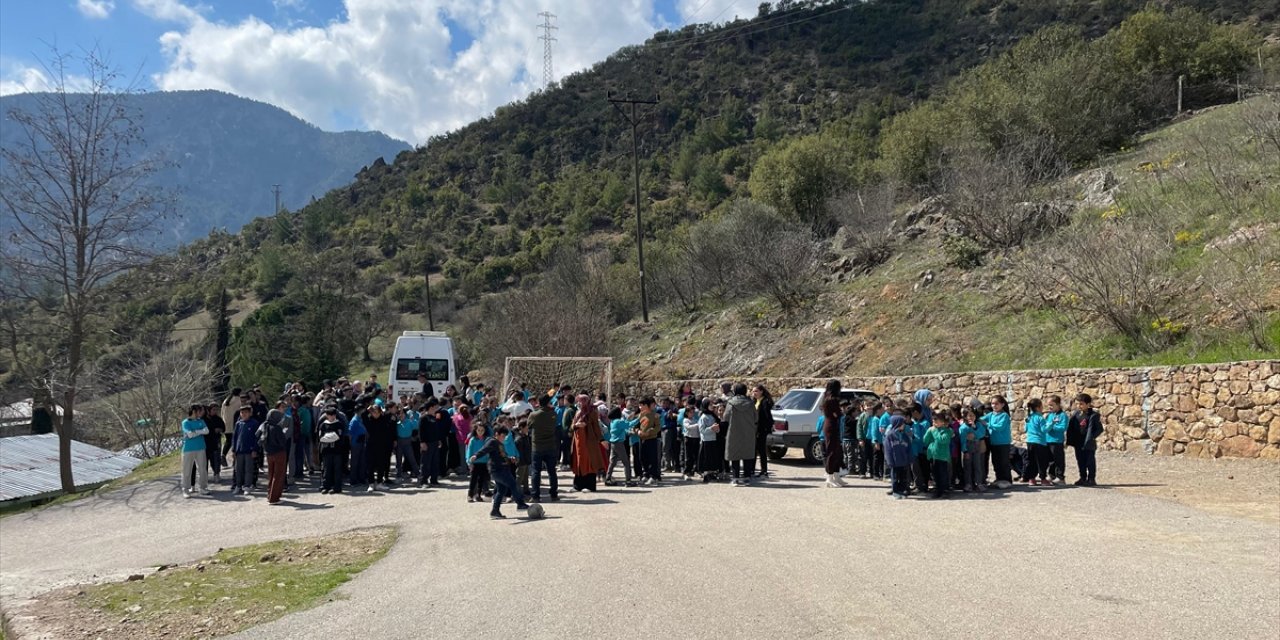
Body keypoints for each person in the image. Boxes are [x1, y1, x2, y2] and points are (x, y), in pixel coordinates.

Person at [470, 425, 531, 519]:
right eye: (502, 436)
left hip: (501, 469)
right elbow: (484, 450)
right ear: (496, 434)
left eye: (505, 436)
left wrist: (510, 459)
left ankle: (495, 511)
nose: (504, 438)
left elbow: (502, 456)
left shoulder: (500, 444)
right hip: (497, 470)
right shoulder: (492, 441)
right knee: (513, 484)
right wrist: (476, 456)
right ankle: (520, 503)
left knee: (501, 490)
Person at [527, 395, 560, 502]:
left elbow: (529, 426)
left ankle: (535, 496)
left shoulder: (534, 415)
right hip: (550, 445)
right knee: (552, 471)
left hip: (537, 446)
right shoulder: (553, 414)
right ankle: (554, 494)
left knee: (536, 471)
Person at [722, 384, 756, 486]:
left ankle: (735, 478)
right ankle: (747, 478)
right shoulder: (750, 403)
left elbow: (726, 417)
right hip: (748, 432)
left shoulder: (731, 403)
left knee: (734, 455)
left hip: (734, 431)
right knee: (747, 454)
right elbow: (755, 417)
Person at [570, 394, 605, 492]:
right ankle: (578, 485)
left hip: (589, 442)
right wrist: (576, 425)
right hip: (578, 442)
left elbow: (596, 427)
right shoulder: (577, 412)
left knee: (589, 463)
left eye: (582, 401)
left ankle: (590, 486)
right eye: (579, 401)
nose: (580, 403)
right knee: (579, 462)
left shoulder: (592, 412)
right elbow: (572, 426)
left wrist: (601, 439)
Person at [1068, 393, 1104, 486]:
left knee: (1090, 461)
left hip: (1088, 443)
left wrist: (1092, 437)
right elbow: (1071, 427)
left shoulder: (1093, 415)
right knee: (1080, 460)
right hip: (1078, 442)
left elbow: (1099, 429)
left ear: (1088, 404)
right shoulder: (1076, 414)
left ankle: (1091, 479)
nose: (1079, 406)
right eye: (1077, 404)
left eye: (1081, 404)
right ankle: (1082, 477)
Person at [982, 395, 1014, 489]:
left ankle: (1007, 480)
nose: (994, 405)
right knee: (996, 462)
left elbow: (999, 427)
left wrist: (988, 425)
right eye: (992, 403)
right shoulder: (991, 414)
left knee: (1004, 462)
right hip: (994, 443)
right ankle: (999, 479)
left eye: (996, 403)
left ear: (1002, 404)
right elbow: (981, 420)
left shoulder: (1004, 415)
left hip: (1003, 443)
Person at [819, 380, 846, 488]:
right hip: (831, 426)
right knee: (831, 451)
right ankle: (829, 477)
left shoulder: (827, 398)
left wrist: (837, 414)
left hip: (831, 425)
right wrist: (838, 413)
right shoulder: (832, 400)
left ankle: (836, 475)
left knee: (837, 451)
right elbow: (838, 414)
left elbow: (837, 414)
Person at [364, 403, 396, 490]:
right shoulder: (369, 420)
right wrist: (368, 409)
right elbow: (363, 415)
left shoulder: (383, 420)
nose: (375, 414)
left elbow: (389, 416)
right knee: (370, 465)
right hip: (370, 446)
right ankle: (371, 484)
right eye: (373, 412)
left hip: (382, 446)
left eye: (377, 412)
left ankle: (379, 482)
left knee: (381, 464)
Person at [262, 409, 291, 504]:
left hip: (269, 453)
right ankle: (274, 498)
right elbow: (282, 441)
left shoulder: (265, 426)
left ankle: (269, 494)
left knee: (271, 475)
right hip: (279, 453)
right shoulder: (277, 428)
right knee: (278, 475)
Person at [180, 404, 210, 497]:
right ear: (194, 411)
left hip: (201, 447)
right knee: (187, 470)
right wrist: (200, 431)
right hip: (188, 449)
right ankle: (186, 489)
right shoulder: (185, 422)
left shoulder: (201, 421)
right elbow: (190, 435)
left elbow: (207, 431)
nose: (201, 413)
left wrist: (195, 431)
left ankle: (203, 487)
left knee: (202, 469)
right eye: (199, 411)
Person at [923, 409, 953, 498]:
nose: (934, 422)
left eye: (936, 420)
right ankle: (938, 489)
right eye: (933, 420)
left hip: (942, 456)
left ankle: (944, 490)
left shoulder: (947, 431)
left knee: (943, 474)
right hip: (933, 455)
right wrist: (929, 431)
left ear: (943, 422)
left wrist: (934, 431)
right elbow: (925, 441)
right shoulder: (932, 430)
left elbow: (942, 440)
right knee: (935, 473)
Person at [229, 405, 259, 496]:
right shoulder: (238, 423)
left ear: (250, 413)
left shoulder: (254, 423)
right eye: (242, 412)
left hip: (249, 450)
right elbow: (235, 437)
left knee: (248, 469)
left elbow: (256, 438)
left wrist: (255, 449)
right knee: (238, 469)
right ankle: (238, 486)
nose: (244, 414)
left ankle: (247, 486)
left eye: (246, 412)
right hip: (239, 450)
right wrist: (234, 449)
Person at [883, 414, 913, 499]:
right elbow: (888, 450)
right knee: (895, 477)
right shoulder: (890, 436)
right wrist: (889, 461)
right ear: (897, 424)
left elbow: (909, 447)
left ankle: (902, 491)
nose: (904, 425)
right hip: (895, 462)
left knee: (903, 477)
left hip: (904, 461)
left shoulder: (904, 436)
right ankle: (895, 491)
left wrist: (910, 458)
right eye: (903, 423)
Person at [317, 406, 346, 494]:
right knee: (326, 469)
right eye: (329, 415)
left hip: (337, 450)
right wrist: (330, 436)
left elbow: (338, 436)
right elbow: (321, 437)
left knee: (337, 469)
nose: (331, 417)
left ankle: (337, 487)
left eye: (333, 415)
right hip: (326, 450)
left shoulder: (339, 424)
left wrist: (329, 436)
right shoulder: (323, 425)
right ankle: (326, 486)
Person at [606, 406, 637, 486]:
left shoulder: (613, 421)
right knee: (626, 463)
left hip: (613, 443)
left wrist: (628, 419)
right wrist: (638, 419)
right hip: (619, 443)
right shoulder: (619, 421)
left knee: (612, 462)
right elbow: (629, 425)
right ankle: (628, 481)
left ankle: (608, 478)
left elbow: (624, 424)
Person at [1021, 398, 1049, 485]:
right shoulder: (1040, 418)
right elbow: (1044, 430)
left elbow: (1025, 429)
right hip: (1039, 442)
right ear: (1038, 407)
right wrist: (1051, 423)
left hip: (1030, 441)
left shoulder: (1028, 418)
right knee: (1041, 461)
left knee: (1031, 461)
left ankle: (1031, 479)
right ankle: (1043, 479)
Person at [958, 408, 987, 492]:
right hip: (968, 447)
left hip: (977, 447)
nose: (971, 417)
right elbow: (963, 440)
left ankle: (979, 483)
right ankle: (968, 484)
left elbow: (981, 434)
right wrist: (965, 451)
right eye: (969, 416)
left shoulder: (978, 424)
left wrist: (974, 429)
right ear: (965, 417)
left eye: (973, 415)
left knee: (978, 465)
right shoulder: (963, 428)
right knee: (968, 467)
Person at [636, 397, 663, 485]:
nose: (640, 407)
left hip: (651, 439)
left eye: (642, 405)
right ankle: (646, 474)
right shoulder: (639, 416)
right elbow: (635, 426)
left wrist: (650, 432)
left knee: (652, 458)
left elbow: (658, 427)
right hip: (641, 439)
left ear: (647, 406)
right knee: (642, 457)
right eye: (639, 405)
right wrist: (638, 431)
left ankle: (653, 476)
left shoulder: (654, 415)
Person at [1044, 396, 1069, 485]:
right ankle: (1051, 475)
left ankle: (1060, 477)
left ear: (1058, 404)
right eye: (1048, 405)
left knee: (1058, 460)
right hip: (1048, 440)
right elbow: (1045, 427)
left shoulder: (1063, 415)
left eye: (1052, 405)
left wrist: (1052, 426)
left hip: (1057, 441)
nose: (1050, 407)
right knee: (1050, 460)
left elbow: (1063, 427)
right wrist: (1048, 427)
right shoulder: (1049, 415)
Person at [465, 421, 492, 502]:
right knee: (473, 480)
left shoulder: (487, 440)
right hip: (475, 463)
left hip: (484, 463)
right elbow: (469, 452)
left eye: (482, 430)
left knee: (482, 480)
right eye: (478, 430)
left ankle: (478, 495)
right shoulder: (472, 440)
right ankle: (470, 495)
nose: (480, 432)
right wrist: (469, 462)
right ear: (475, 430)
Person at [394, 402, 421, 482]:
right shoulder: (396, 423)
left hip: (407, 443)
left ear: (405, 414)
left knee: (412, 458)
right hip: (399, 443)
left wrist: (413, 419)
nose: (401, 415)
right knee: (398, 460)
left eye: (402, 413)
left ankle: (418, 474)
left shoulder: (409, 421)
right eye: (399, 414)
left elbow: (417, 426)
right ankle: (399, 475)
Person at [697, 398, 722, 483]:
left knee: (713, 457)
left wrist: (717, 429)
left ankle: (712, 473)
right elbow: (702, 430)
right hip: (706, 441)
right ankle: (706, 474)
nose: (712, 406)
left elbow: (717, 428)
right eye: (710, 405)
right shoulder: (703, 417)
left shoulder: (712, 416)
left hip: (713, 439)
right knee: (706, 458)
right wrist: (711, 428)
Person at [752, 385, 774, 478]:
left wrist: (766, 428)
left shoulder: (765, 402)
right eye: (753, 391)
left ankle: (764, 471)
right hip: (754, 429)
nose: (754, 393)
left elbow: (767, 417)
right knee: (753, 450)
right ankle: (751, 469)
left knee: (761, 450)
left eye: (756, 391)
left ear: (761, 391)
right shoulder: (755, 401)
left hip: (762, 429)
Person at [203, 402, 226, 483]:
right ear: (209, 410)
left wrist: (219, 430)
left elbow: (223, 428)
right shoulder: (204, 419)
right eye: (213, 409)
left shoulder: (218, 419)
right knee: (204, 460)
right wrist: (213, 430)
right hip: (205, 442)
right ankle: (204, 476)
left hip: (216, 441)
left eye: (216, 410)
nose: (215, 411)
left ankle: (216, 474)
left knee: (216, 459)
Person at [348, 406, 369, 490]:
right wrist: (351, 445)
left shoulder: (360, 419)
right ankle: (353, 480)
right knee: (355, 462)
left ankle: (361, 478)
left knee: (362, 461)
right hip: (356, 443)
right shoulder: (354, 420)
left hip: (361, 442)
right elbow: (350, 434)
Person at [680, 397, 701, 481]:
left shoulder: (695, 419)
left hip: (696, 438)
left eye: (693, 412)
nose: (692, 414)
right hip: (688, 439)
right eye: (690, 412)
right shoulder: (685, 420)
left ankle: (696, 470)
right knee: (688, 457)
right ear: (687, 413)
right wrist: (697, 425)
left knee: (696, 455)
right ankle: (686, 472)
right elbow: (688, 427)